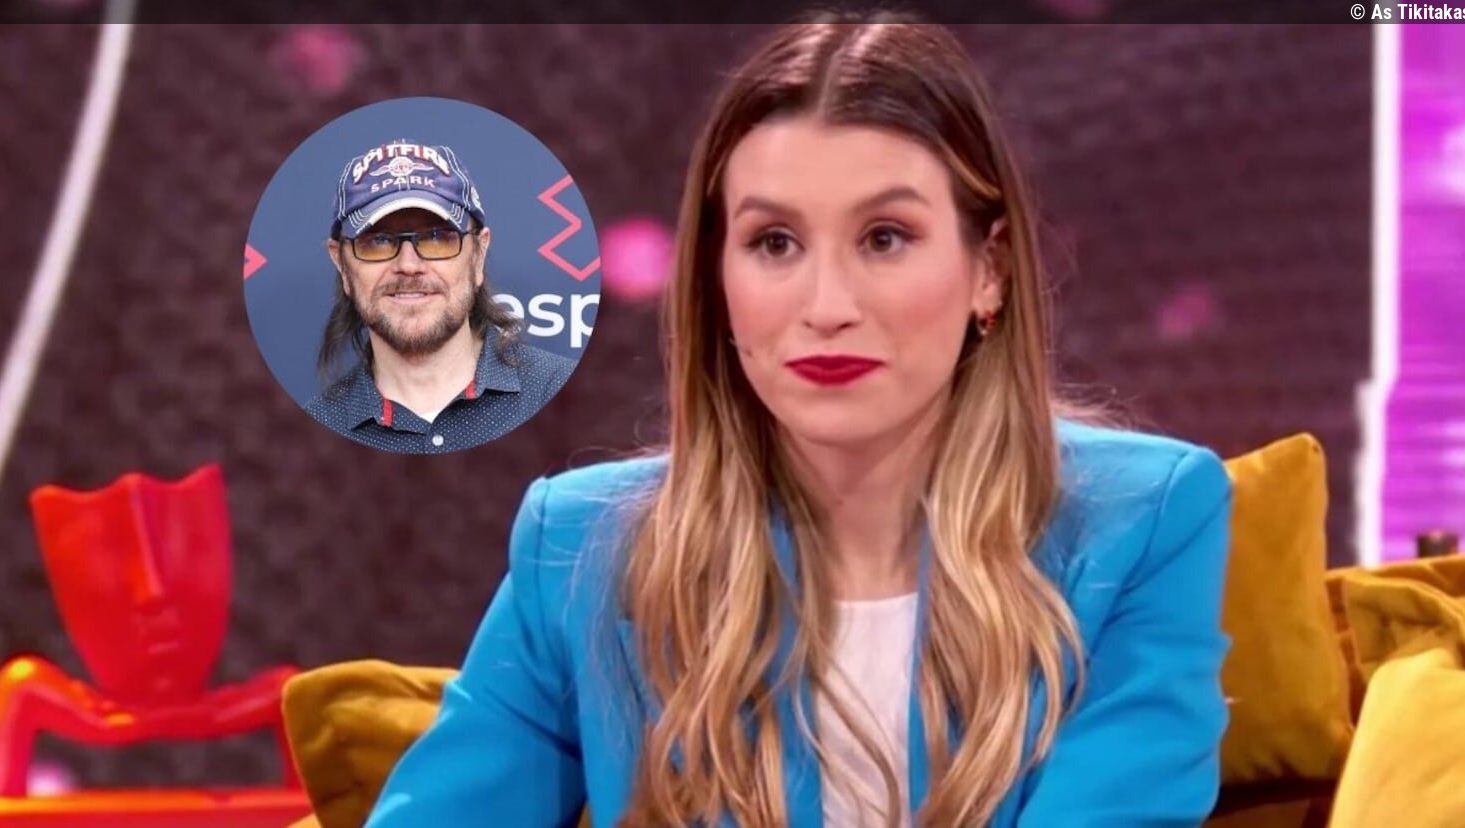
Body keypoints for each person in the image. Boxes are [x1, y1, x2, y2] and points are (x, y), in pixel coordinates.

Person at [364, 16, 1231, 828]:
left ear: (989, 269)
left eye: (885, 237)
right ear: (718, 278)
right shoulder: (581, 550)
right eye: (775, 243)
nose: (827, 306)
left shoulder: (1143, 524)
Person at [304, 139, 577, 454]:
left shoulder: (564, 397)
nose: (409, 266)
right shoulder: (313, 439)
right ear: (340, 262)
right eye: (377, 241)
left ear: (478, 254)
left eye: (437, 238)